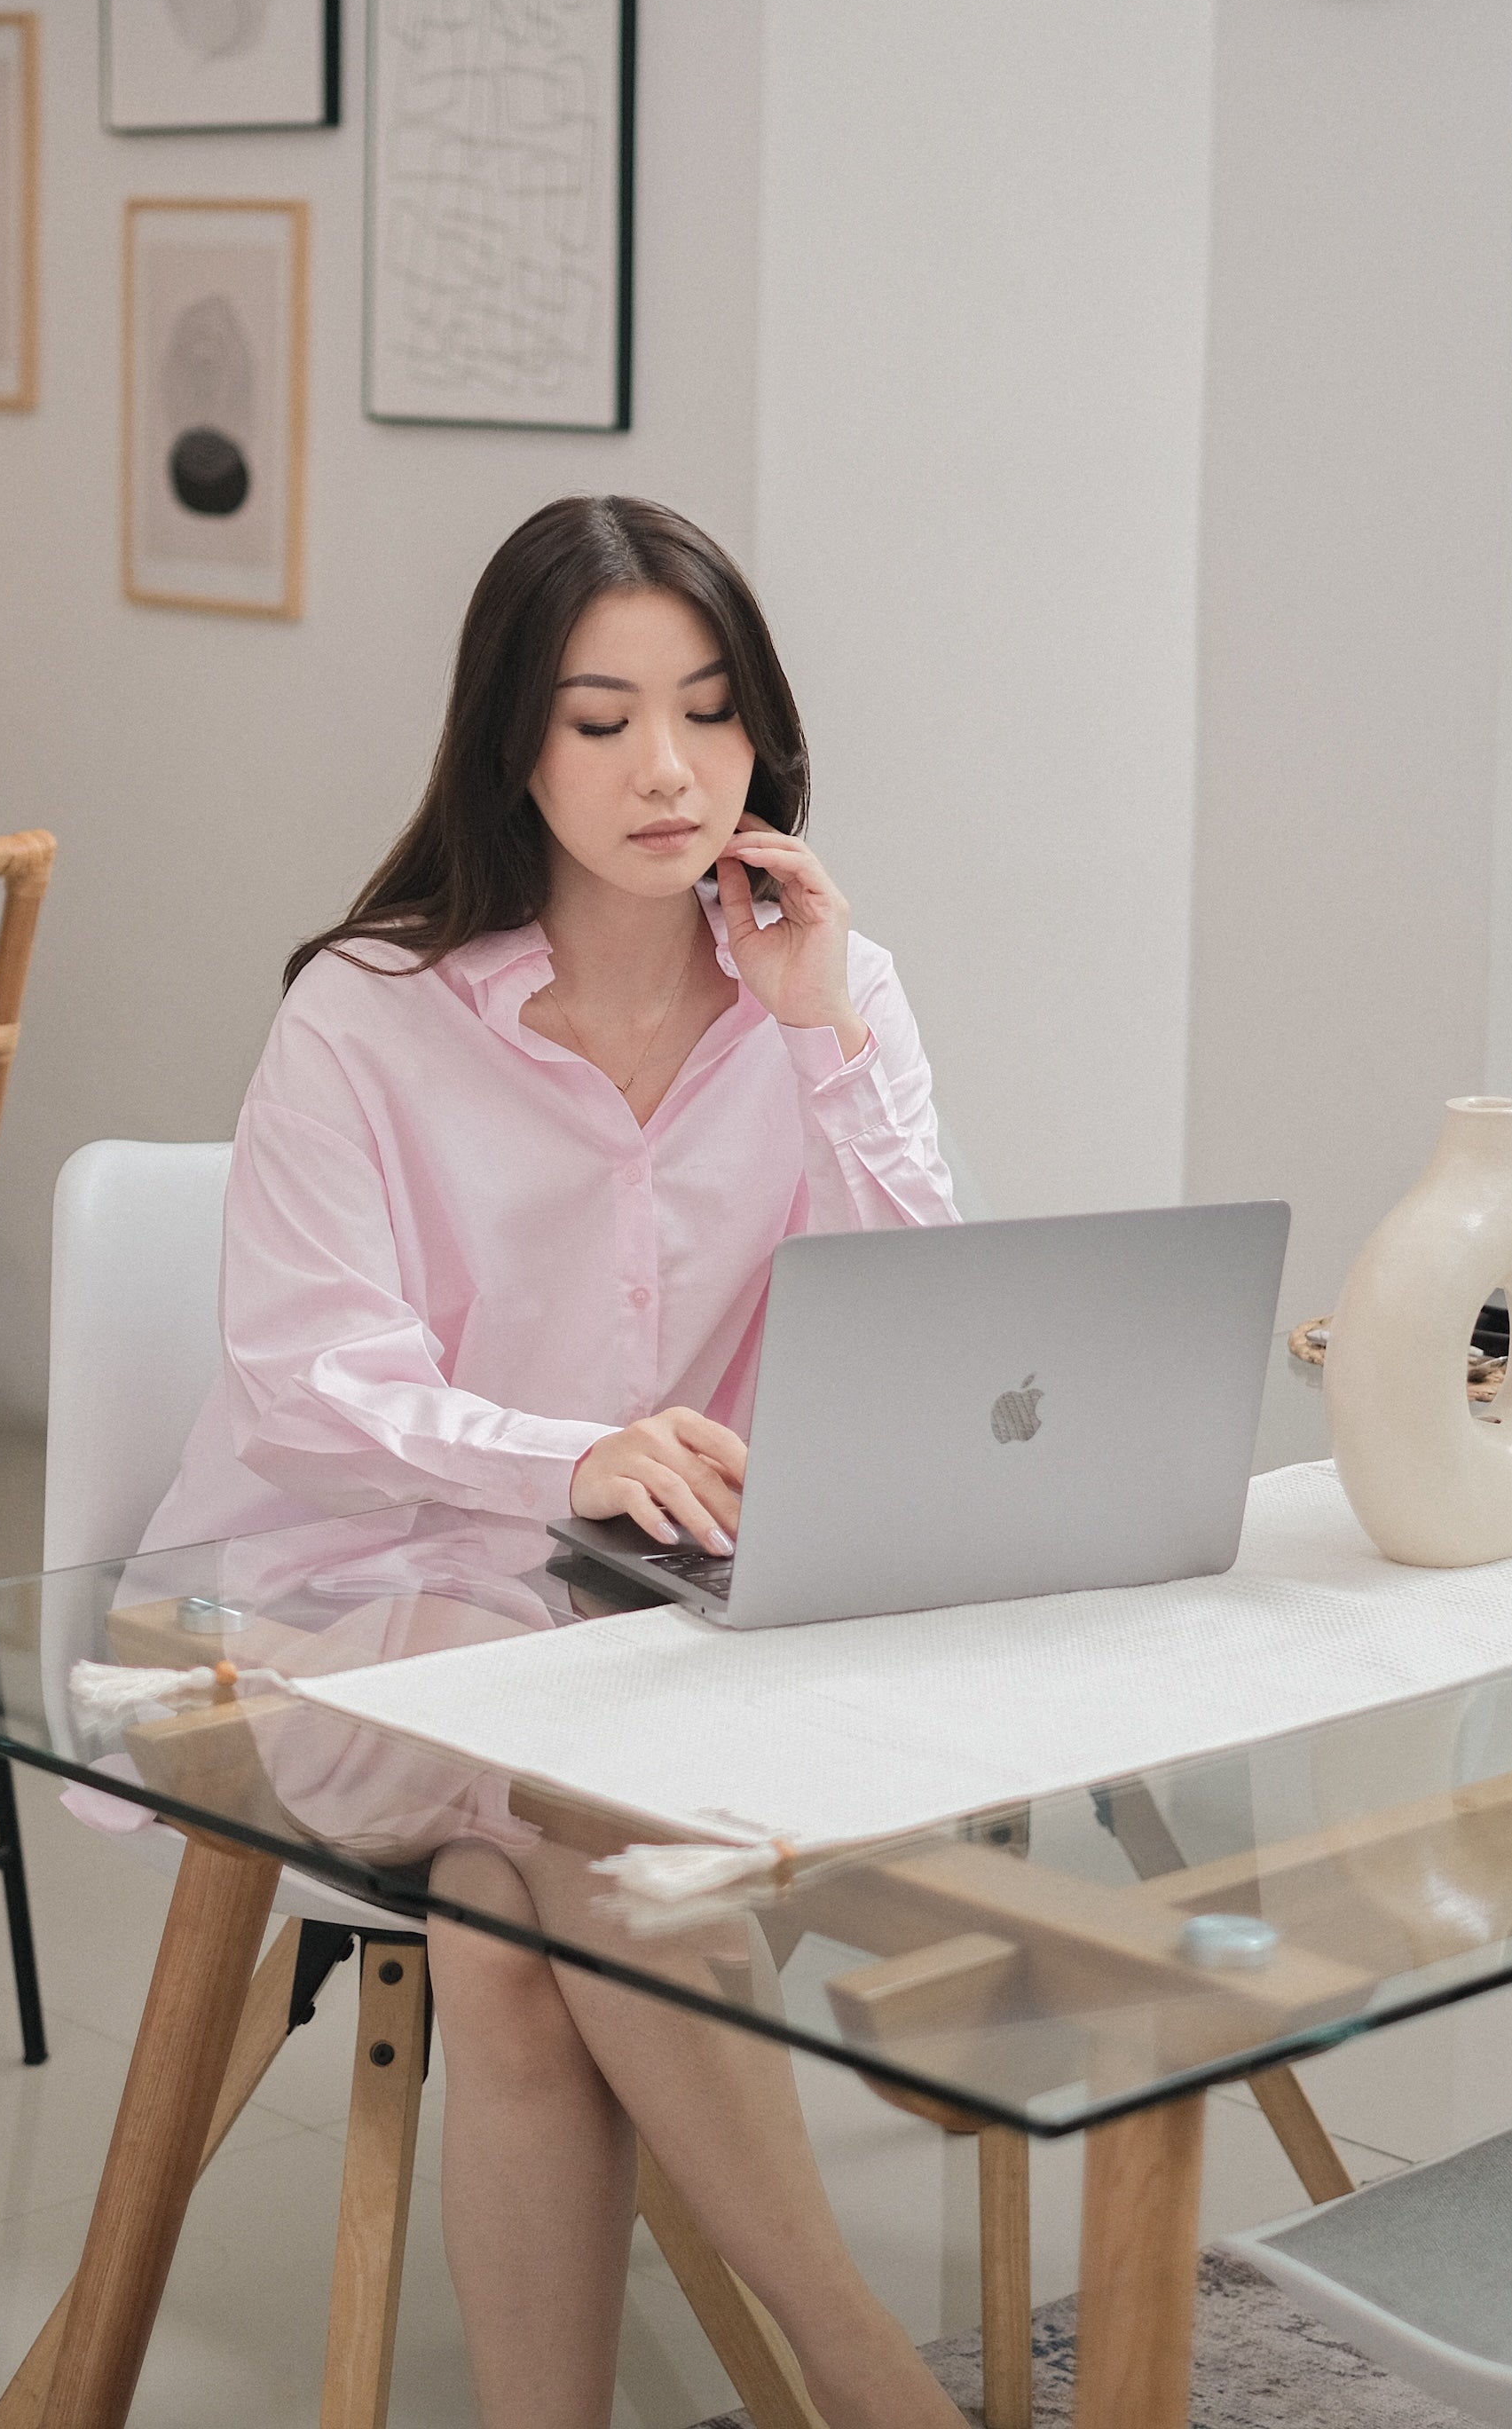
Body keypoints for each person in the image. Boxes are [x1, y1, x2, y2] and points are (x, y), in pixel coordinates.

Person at [144, 494, 964, 2429]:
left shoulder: (831, 990)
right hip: (345, 1611)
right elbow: (302, 1383)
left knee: (506, 1942)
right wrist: (566, 1455)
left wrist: (825, 1041)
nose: (666, 770)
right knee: (582, 1815)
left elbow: (927, 1348)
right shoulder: (367, 1011)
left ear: (766, 735)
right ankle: (864, 2379)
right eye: (601, 721)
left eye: (708, 712)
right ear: (513, 739)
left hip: (648, 1633)